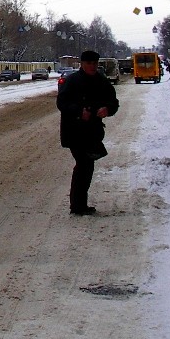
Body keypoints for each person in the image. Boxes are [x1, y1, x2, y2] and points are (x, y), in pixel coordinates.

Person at [57, 50, 119, 215]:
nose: (92, 66)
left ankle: (79, 205)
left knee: (86, 166)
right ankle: (78, 206)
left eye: (94, 63)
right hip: (74, 130)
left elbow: (113, 102)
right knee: (84, 165)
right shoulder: (72, 81)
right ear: (82, 64)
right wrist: (79, 111)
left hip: (92, 131)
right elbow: (62, 102)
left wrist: (107, 109)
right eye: (89, 63)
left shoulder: (101, 81)